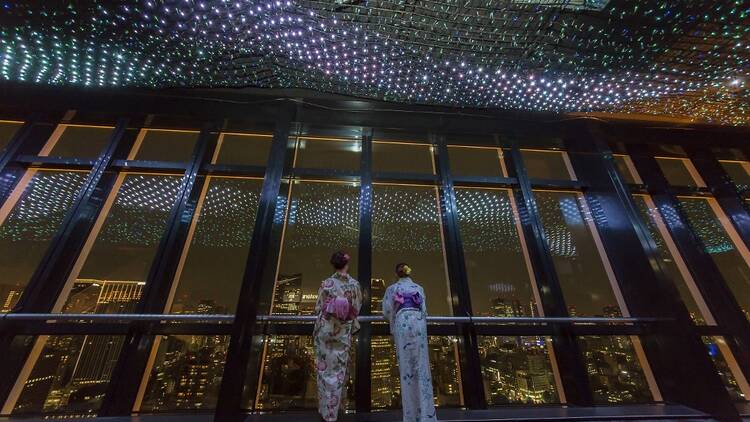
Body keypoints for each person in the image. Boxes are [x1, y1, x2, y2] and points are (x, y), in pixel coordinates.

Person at [382, 263, 437, 422]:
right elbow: (424, 310)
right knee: (422, 367)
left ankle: (411, 416)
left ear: (396, 274)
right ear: (409, 272)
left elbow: (386, 311)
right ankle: (427, 415)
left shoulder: (392, 289)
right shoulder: (419, 288)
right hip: (418, 326)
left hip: (402, 325)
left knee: (406, 370)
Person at [314, 251, 362, 421]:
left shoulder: (326, 283)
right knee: (339, 371)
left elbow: (318, 307)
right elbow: (356, 307)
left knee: (324, 370)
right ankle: (337, 410)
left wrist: (331, 309)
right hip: (342, 332)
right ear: (346, 264)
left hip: (325, 330)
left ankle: (326, 412)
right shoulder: (354, 285)